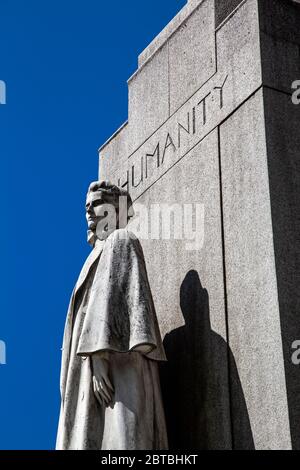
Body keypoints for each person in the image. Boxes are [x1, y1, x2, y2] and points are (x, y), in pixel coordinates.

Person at [56, 181, 168, 450]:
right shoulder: (94, 256)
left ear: (115, 209)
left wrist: (99, 355)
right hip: (96, 365)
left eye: (96, 204)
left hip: (118, 361)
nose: (89, 213)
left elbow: (114, 299)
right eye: (87, 207)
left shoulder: (121, 239)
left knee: (124, 440)